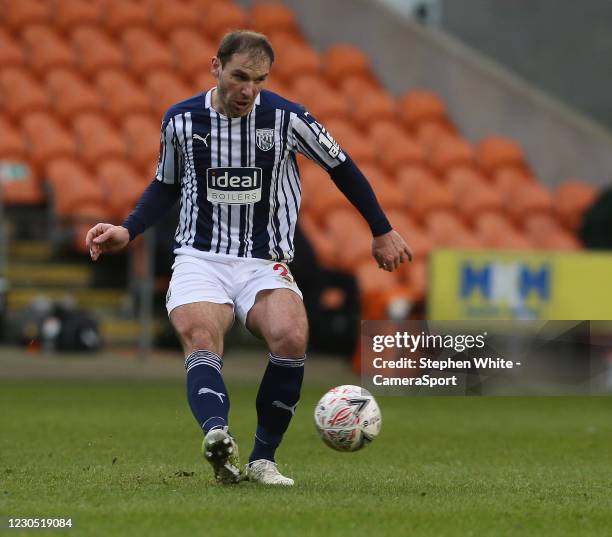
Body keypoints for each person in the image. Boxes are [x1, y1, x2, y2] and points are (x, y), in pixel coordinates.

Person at [85, 30, 412, 486]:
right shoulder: (180, 121)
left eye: (258, 80)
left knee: (291, 336)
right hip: (200, 256)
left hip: (263, 261)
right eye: (239, 76)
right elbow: (165, 185)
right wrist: (128, 229)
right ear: (215, 67)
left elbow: (342, 166)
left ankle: (262, 460)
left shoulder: (287, 118)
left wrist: (381, 229)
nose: (248, 90)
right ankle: (218, 436)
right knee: (201, 336)